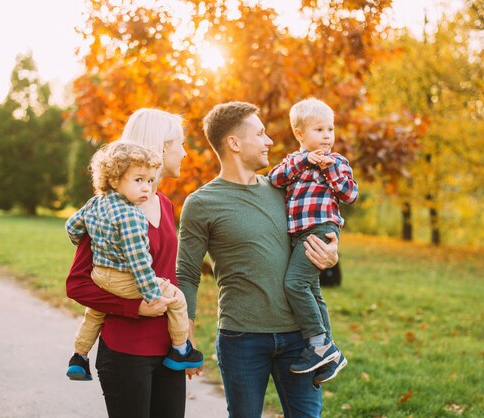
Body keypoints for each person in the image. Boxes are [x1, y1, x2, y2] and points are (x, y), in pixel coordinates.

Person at [176, 102, 339, 418]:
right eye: (261, 134)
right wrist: (185, 331)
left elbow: (320, 225)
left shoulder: (286, 190)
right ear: (234, 143)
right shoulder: (201, 203)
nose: (270, 142)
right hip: (242, 339)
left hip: (299, 338)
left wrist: (332, 253)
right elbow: (187, 273)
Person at [65, 108, 192, 418]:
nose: (185, 152)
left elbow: (167, 272)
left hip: (168, 352)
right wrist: (134, 308)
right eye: (181, 143)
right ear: (161, 148)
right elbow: (77, 284)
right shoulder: (107, 210)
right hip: (125, 351)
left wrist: (185, 335)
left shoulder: (164, 203)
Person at [267, 98, 358, 384]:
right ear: (300, 134)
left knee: (294, 284)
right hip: (300, 233)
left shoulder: (339, 162)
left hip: (321, 229)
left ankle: (319, 345)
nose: (327, 136)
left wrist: (329, 169)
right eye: (319, 130)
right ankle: (328, 352)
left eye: (330, 129)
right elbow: (274, 179)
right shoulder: (294, 163)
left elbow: (350, 194)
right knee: (311, 288)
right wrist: (305, 160)